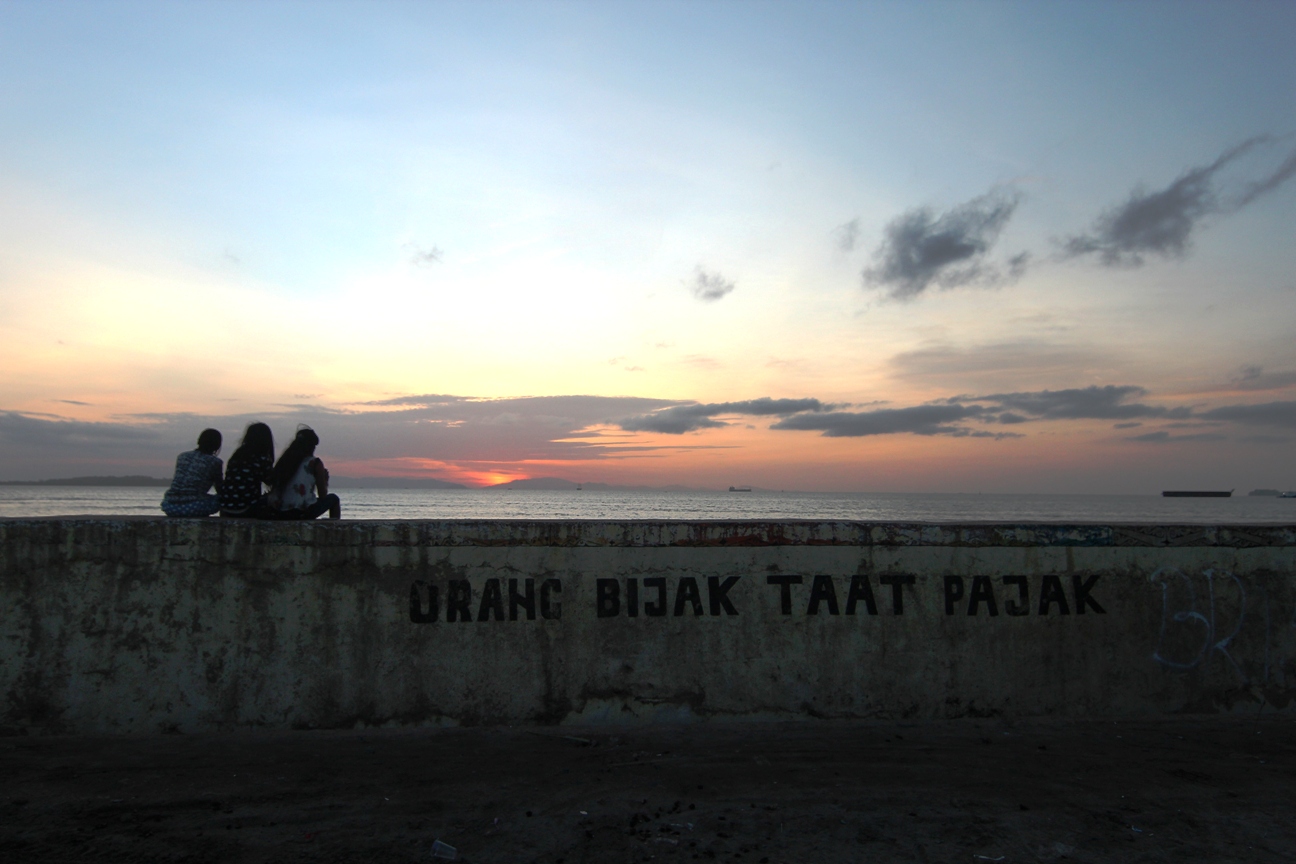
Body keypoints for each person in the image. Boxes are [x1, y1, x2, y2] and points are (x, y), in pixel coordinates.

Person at [267, 426, 341, 520]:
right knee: (334, 499)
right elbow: (323, 495)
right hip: (302, 512)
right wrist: (325, 480)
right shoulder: (314, 463)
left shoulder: (284, 461)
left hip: (279, 512)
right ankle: (333, 528)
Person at [160, 429, 223, 517]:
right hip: (193, 507)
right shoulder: (215, 462)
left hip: (169, 505)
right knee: (222, 498)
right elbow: (220, 488)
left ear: (199, 441)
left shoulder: (182, 456)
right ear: (217, 445)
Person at [219, 422, 277, 518]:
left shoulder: (237, 456)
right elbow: (271, 481)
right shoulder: (261, 458)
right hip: (246, 508)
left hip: (225, 507)